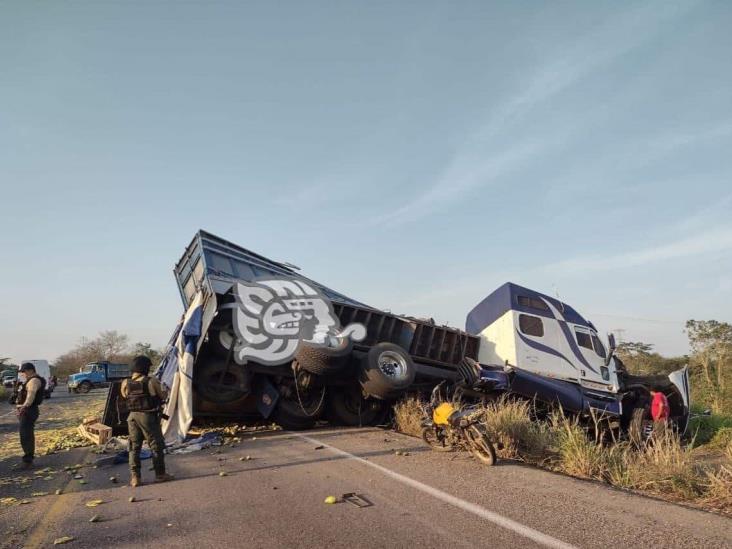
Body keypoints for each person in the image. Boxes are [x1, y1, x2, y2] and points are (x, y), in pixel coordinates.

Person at [120, 355, 174, 487]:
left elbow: (124, 396)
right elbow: (163, 396)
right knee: (156, 445)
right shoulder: (152, 381)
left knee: (134, 447)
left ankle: (135, 478)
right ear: (145, 368)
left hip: (132, 417)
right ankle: (160, 474)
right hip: (148, 417)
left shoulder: (125, 383)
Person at [16, 362, 47, 469]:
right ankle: (28, 460)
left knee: (26, 436)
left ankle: (28, 462)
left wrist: (24, 406)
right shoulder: (31, 380)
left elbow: (31, 395)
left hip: (28, 410)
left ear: (30, 370)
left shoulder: (34, 381)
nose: (23, 374)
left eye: (24, 372)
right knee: (26, 434)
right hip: (28, 410)